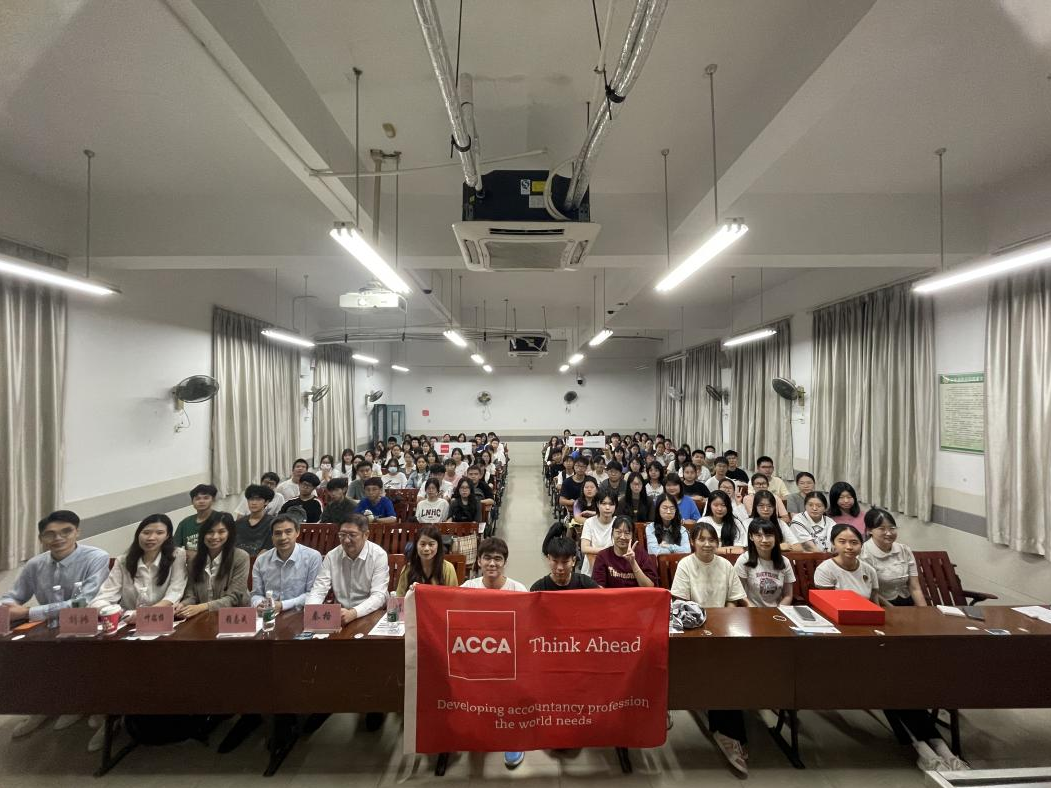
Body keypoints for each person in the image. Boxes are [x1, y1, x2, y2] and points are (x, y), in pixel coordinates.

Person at [0, 511, 110, 739]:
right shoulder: (35, 564)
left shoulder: (96, 557)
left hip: (87, 624)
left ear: (77, 532)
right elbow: (14, 596)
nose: (58, 538)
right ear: (41, 538)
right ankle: (45, 706)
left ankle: (90, 708)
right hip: (49, 625)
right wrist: (7, 607)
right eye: (50, 534)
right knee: (25, 656)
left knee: (85, 661)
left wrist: (28, 612)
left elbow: (83, 602)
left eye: (66, 531)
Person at [669, 522, 750, 774]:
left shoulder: (725, 565)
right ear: (693, 542)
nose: (707, 544)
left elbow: (734, 600)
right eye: (701, 539)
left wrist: (722, 621)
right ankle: (731, 734)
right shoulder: (685, 565)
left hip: (722, 629)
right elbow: (681, 604)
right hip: (694, 631)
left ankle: (729, 730)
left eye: (712, 540)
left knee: (732, 670)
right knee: (721, 672)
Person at [459, 536, 528, 770]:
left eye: (498, 559)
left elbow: (526, 630)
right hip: (475, 658)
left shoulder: (518, 590)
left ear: (505, 562)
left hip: (508, 659)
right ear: (478, 561)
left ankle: (513, 738)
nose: (492, 563)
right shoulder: (467, 589)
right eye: (487, 558)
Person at [92, 514, 188, 613]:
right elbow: (104, 596)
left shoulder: (177, 555)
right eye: (146, 533)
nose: (151, 537)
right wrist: (112, 611)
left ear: (167, 536)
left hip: (162, 616)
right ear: (138, 534)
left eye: (159, 533)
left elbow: (175, 592)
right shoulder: (123, 561)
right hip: (128, 617)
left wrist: (146, 614)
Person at [305, 514, 389, 625]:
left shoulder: (378, 555)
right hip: (341, 615)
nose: (346, 540)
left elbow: (379, 596)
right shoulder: (332, 556)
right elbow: (319, 589)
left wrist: (354, 613)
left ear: (366, 535)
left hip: (370, 614)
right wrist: (311, 611)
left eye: (352, 535)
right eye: (342, 535)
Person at [175, 513, 250, 619]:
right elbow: (190, 595)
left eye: (221, 532)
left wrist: (202, 607)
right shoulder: (194, 560)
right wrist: (182, 605)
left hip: (233, 618)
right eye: (210, 532)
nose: (215, 537)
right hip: (204, 618)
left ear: (229, 533)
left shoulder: (240, 557)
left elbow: (235, 598)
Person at [250, 515, 322, 613]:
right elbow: (256, 594)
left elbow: (313, 594)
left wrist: (282, 605)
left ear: (297, 532)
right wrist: (259, 604)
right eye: (278, 533)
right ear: (272, 537)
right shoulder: (261, 560)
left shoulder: (312, 557)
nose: (283, 537)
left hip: (299, 613)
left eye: (288, 532)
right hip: (269, 613)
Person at [860, 508, 926, 606]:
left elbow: (915, 587)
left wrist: (925, 611)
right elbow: (870, 591)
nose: (889, 533)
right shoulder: (863, 554)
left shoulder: (904, 550)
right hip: (880, 605)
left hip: (907, 601)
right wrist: (894, 610)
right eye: (882, 529)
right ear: (869, 530)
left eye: (892, 528)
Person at [734, 519, 796, 607]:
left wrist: (779, 610)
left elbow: (788, 595)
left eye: (769, 535)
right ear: (751, 537)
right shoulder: (744, 559)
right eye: (759, 535)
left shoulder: (784, 561)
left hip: (777, 611)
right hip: (752, 610)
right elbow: (739, 593)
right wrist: (753, 610)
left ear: (775, 537)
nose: (764, 540)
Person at [813, 525, 879, 603]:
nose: (849, 547)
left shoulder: (869, 570)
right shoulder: (825, 570)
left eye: (854, 542)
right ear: (833, 543)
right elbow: (827, 604)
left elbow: (874, 602)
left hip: (866, 610)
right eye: (842, 542)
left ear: (861, 545)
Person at [592, 516, 657, 588]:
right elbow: (598, 589)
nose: (622, 537)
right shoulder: (603, 556)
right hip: (612, 595)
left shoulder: (642, 554)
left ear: (632, 535)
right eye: (618, 532)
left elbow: (649, 587)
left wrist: (633, 563)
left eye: (627, 533)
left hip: (636, 595)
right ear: (612, 532)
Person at [395, 524, 458, 595]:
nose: (426, 549)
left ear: (438, 546)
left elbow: (454, 596)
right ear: (416, 546)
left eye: (431, 544)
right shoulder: (408, 568)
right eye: (422, 544)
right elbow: (400, 597)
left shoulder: (448, 568)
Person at [530, 536, 600, 591]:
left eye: (565, 562)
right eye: (555, 561)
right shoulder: (538, 589)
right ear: (548, 559)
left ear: (573, 561)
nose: (560, 568)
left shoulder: (586, 584)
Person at [174, 484, 222, 556]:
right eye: (197, 498)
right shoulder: (185, 523)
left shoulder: (221, 520)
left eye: (206, 498)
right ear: (192, 502)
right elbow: (175, 547)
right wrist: (186, 553)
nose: (201, 501)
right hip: (191, 561)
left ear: (213, 500)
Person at [579, 492, 618, 575]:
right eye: (603, 503)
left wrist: (596, 551)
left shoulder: (618, 522)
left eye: (611, 504)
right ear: (597, 504)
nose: (607, 507)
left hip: (614, 567)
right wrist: (608, 551)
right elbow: (584, 548)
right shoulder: (589, 522)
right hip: (591, 566)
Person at [233, 484, 275, 556]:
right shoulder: (239, 523)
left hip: (262, 559)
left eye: (258, 499)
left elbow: (269, 548)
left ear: (266, 502)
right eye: (251, 499)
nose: (254, 503)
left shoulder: (272, 523)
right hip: (239, 559)